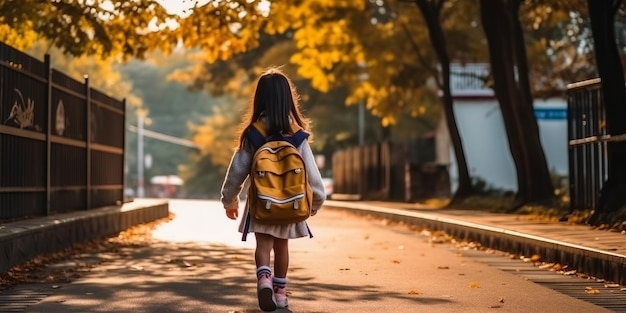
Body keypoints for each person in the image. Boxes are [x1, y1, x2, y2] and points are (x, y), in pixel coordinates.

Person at [220, 67, 326, 311]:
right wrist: (316, 201)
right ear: (289, 99)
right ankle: (280, 293)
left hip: (262, 203)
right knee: (282, 247)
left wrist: (229, 200)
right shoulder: (297, 135)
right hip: (292, 202)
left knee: (264, 246)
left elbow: (237, 171)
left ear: (260, 99)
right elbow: (312, 174)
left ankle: (263, 279)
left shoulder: (254, 134)